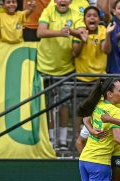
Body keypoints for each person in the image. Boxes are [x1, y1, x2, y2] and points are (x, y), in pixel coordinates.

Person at [37, 0, 84, 150]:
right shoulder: (48, 10)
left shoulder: (76, 14)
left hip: (65, 69)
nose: (63, 0)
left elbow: (82, 33)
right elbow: (40, 32)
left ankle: (63, 141)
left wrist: (71, 31)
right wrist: (61, 32)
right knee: (48, 106)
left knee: (64, 105)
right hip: (45, 66)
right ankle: (50, 140)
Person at [73, 6, 115, 82]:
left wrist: (108, 34)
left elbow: (106, 51)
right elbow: (75, 54)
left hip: (100, 78)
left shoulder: (102, 29)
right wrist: (82, 41)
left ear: (99, 19)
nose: (92, 18)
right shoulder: (79, 31)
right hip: (81, 78)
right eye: (88, 16)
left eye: (95, 16)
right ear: (84, 20)